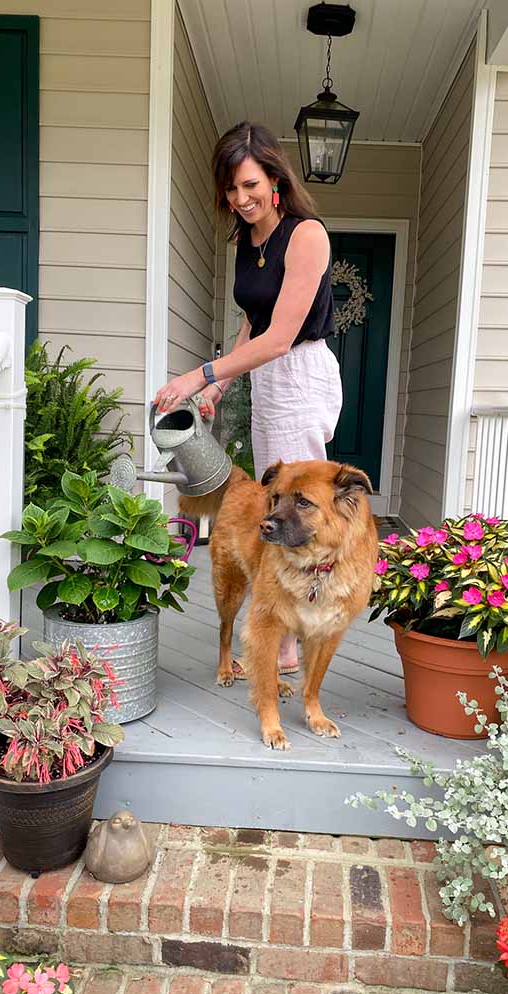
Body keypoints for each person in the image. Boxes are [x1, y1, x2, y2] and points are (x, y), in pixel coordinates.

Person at [154, 121, 342, 676]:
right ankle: (285, 627)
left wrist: (196, 376)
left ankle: (293, 638)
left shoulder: (306, 235)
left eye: (250, 185)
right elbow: (253, 323)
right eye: (232, 190)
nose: (241, 199)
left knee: (297, 509)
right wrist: (218, 386)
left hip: (301, 372)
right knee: (273, 508)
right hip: (267, 378)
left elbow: (281, 337)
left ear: (275, 177)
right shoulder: (248, 236)